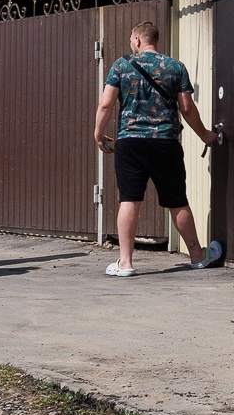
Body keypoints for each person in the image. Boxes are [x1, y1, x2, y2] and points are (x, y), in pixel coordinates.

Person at [93, 20, 222, 276]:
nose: (131, 44)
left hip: (129, 143)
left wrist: (98, 134)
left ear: (138, 40)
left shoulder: (121, 65)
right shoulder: (176, 67)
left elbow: (106, 105)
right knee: (177, 200)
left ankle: (125, 263)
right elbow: (186, 108)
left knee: (129, 199)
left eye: (132, 40)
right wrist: (206, 135)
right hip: (166, 143)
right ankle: (197, 255)